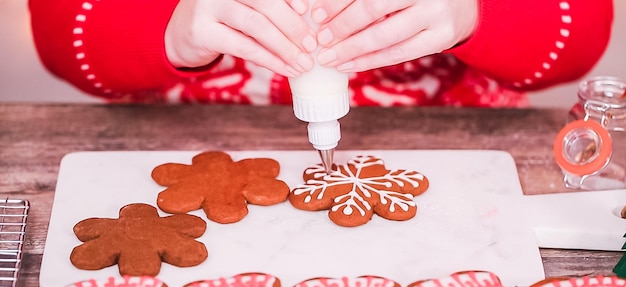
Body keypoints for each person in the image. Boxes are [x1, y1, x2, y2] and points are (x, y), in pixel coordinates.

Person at [29, 0, 613, 107]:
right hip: (196, 126)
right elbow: (60, 35)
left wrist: (474, 13)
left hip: (457, 126)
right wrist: (172, 28)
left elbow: (580, 37)